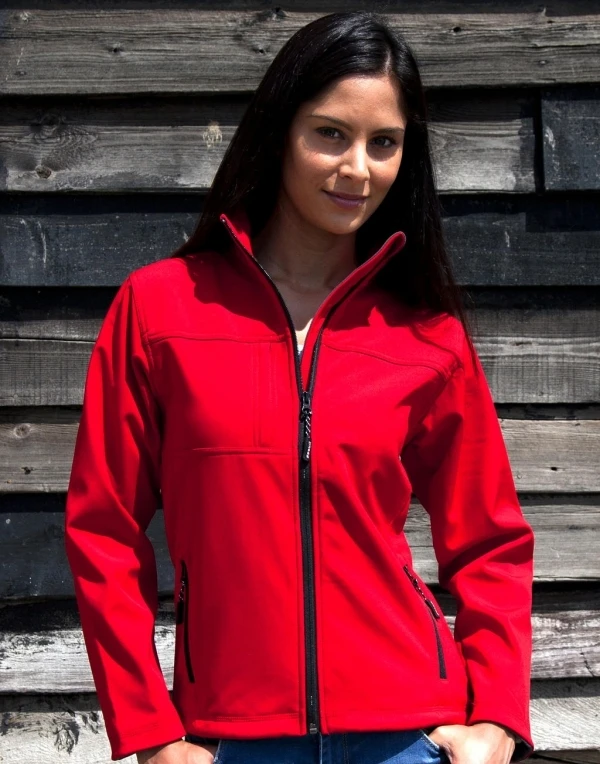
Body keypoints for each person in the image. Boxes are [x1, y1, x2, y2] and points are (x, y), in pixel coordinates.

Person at [64, 11, 535, 764]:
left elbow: (491, 540)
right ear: (280, 131)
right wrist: (151, 734)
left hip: (407, 735)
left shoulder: (426, 334)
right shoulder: (159, 310)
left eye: (384, 143)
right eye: (331, 134)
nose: (357, 169)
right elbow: (104, 530)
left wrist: (498, 718)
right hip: (230, 737)